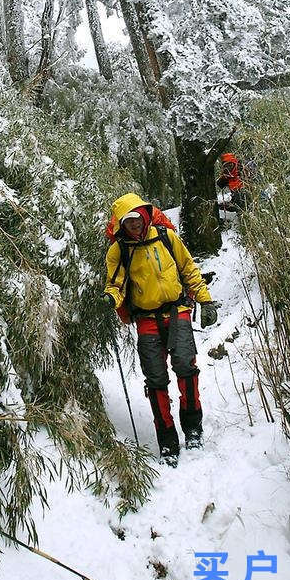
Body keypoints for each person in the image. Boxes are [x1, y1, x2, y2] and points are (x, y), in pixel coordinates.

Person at [103, 192, 218, 467]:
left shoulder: (167, 238)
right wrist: (111, 297)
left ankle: (192, 428)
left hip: (177, 310)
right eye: (128, 221)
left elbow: (189, 269)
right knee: (155, 378)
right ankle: (167, 440)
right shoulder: (119, 250)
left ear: (145, 214)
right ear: (121, 224)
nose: (134, 225)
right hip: (146, 318)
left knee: (185, 366)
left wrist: (205, 299)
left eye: (137, 218)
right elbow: (116, 285)